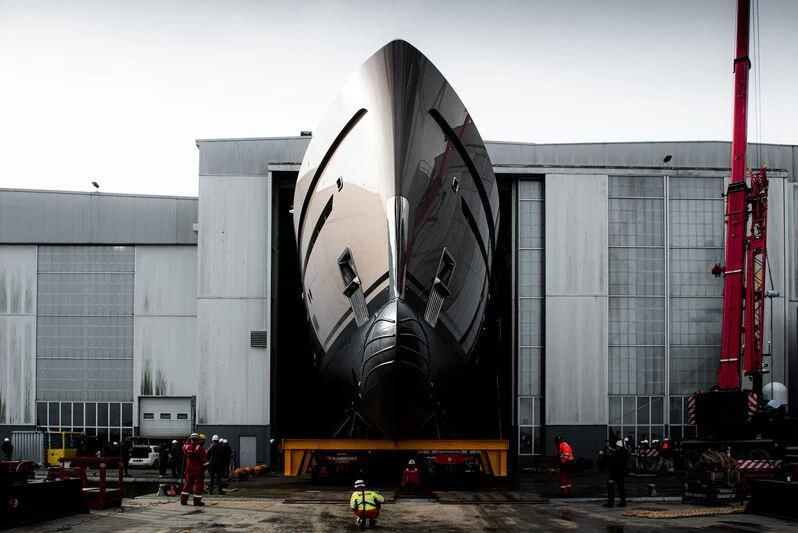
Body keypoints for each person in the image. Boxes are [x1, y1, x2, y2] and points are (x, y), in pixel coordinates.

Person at [180, 433, 209, 506]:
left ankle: (183, 500)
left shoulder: (186, 447)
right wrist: (206, 469)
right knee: (198, 485)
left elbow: (183, 448)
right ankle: (196, 501)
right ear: (198, 439)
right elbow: (205, 462)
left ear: (190, 439)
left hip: (189, 469)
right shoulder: (200, 448)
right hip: (198, 470)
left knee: (187, 484)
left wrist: (187, 441)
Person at [604, 440, 628, 508]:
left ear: (618, 446)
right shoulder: (625, 453)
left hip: (614, 473)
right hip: (621, 473)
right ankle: (623, 502)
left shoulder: (617, 454)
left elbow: (612, 461)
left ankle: (610, 503)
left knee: (611, 487)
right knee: (621, 488)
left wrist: (608, 454)